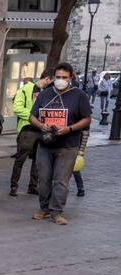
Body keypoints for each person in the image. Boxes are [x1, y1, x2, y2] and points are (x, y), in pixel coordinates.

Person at [30, 62, 91, 225]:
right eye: (58, 77)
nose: (60, 80)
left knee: (61, 180)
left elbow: (86, 119)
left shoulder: (79, 95)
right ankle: (44, 208)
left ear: (70, 78)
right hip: (45, 144)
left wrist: (69, 128)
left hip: (68, 145)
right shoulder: (45, 94)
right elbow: (32, 116)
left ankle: (56, 211)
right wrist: (40, 125)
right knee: (43, 178)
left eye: (64, 77)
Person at [10, 70, 52, 196]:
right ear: (48, 78)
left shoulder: (48, 92)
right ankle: (13, 185)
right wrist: (32, 117)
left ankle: (33, 186)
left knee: (37, 160)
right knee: (20, 159)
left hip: (42, 129)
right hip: (27, 129)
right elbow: (17, 108)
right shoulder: (26, 89)